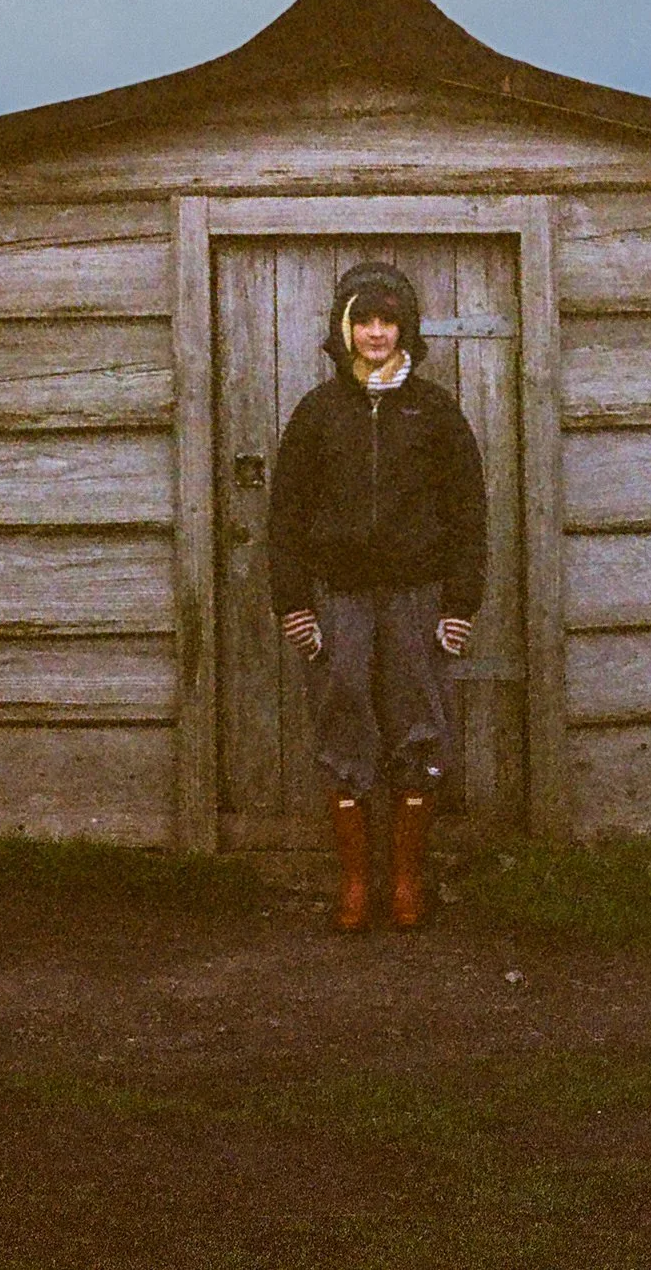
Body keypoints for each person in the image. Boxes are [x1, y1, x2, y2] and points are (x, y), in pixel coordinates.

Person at [267, 261, 487, 931]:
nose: (375, 332)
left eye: (387, 321)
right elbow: (285, 515)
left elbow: (468, 513)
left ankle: (407, 888)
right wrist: (293, 603)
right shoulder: (317, 412)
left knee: (419, 725)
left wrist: (460, 604)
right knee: (344, 724)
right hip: (340, 600)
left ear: (407, 331)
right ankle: (358, 886)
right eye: (363, 320)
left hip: (417, 598)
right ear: (345, 328)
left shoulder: (435, 411)